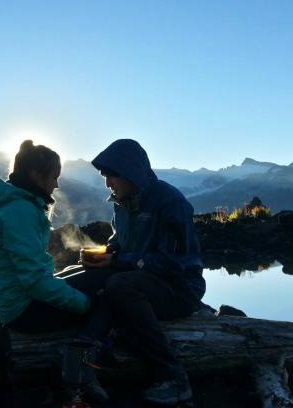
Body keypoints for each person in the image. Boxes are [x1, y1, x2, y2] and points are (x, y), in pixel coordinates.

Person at [83, 138, 206, 405]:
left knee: (121, 286)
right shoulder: (122, 202)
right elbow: (120, 242)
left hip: (180, 288)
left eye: (112, 176)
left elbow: (173, 263)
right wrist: (107, 253)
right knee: (86, 276)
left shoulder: (170, 202)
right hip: (144, 280)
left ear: (130, 172)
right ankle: (86, 351)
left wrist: (120, 261)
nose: (108, 184)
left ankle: (174, 377)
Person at [0, 140, 94, 332]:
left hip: (14, 305)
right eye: (54, 177)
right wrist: (86, 304)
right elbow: (35, 282)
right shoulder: (20, 212)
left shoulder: (16, 206)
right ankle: (92, 352)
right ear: (35, 176)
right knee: (101, 294)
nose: (56, 185)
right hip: (23, 312)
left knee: (86, 275)